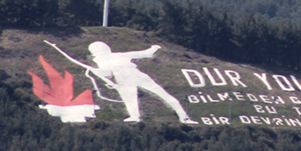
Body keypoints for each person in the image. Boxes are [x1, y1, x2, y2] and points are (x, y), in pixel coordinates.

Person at [45, 40, 198, 124]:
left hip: (124, 79)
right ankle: (184, 117)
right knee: (164, 95)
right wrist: (154, 47)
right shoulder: (121, 55)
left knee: (131, 101)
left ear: (93, 53)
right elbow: (146, 53)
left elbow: (107, 73)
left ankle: (135, 117)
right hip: (136, 75)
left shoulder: (100, 61)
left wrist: (96, 72)